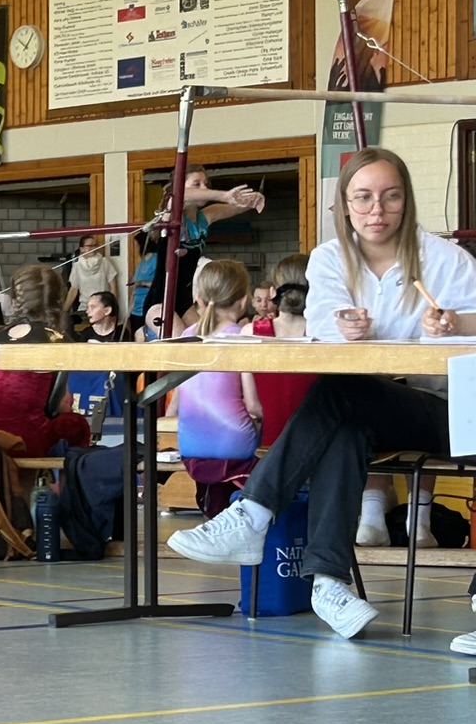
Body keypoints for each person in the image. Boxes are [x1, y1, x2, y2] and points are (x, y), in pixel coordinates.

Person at [169, 148, 476, 643]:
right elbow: (324, 333)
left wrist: (456, 324)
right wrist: (344, 331)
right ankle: (329, 584)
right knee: (344, 423)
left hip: (442, 411)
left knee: (340, 394)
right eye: (364, 197)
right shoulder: (329, 259)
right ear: (345, 204)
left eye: (391, 196)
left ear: (407, 200)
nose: (377, 210)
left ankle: (253, 512)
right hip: (365, 406)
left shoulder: (447, 259)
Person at [171, 259, 262, 517]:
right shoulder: (242, 337)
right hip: (234, 445)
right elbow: (254, 406)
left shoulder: (186, 335)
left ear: (198, 299)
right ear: (243, 301)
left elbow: (178, 394)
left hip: (189, 445)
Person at [0, 265, 91, 456]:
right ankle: (66, 473)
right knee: (77, 424)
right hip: (25, 440)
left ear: (15, 300)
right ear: (57, 301)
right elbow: (60, 405)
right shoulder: (58, 341)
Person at [137, 167, 265, 331]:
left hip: (184, 302)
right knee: (179, 340)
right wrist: (224, 195)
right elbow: (180, 195)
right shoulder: (172, 214)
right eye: (197, 184)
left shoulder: (204, 217)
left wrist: (254, 200)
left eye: (205, 183)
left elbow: (237, 206)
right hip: (159, 302)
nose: (204, 188)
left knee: (205, 337)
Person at [253, 253, 314, 446]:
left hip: (270, 446)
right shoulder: (325, 334)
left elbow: (253, 406)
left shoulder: (251, 333)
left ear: (273, 292)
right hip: (318, 445)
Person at [66, 236, 120, 328]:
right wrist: (64, 310)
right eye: (89, 246)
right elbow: (73, 290)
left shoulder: (105, 262)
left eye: (95, 245)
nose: (93, 248)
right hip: (85, 307)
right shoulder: (77, 266)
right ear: (82, 249)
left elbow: (113, 286)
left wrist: (113, 306)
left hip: (102, 307)